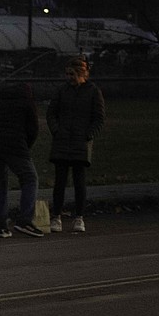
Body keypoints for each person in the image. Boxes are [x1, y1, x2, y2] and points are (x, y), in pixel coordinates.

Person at [47, 56, 106, 233]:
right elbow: (52, 113)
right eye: (67, 74)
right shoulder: (62, 91)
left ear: (81, 74)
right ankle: (56, 216)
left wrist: (89, 134)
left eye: (72, 74)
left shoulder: (93, 91)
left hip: (80, 140)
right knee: (60, 181)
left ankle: (79, 217)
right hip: (63, 139)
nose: (69, 77)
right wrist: (56, 130)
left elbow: (99, 117)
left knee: (79, 181)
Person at [0, 82, 41, 238]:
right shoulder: (26, 103)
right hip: (15, 145)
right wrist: (25, 147)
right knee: (30, 178)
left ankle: (0, 224)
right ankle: (25, 220)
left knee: (0, 183)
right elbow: (33, 128)